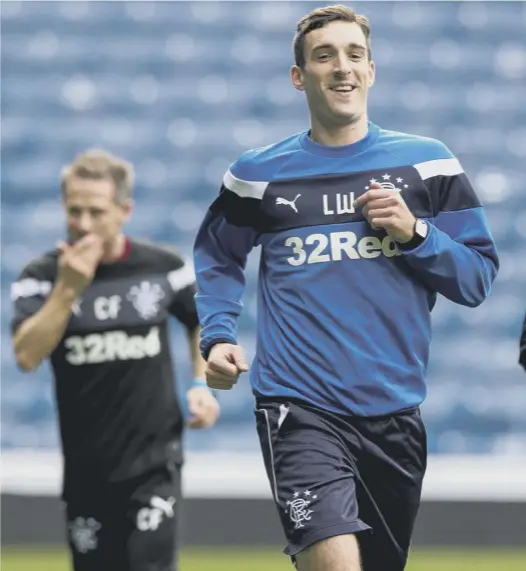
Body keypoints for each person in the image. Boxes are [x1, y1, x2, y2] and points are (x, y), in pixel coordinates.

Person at [192, 5, 499, 571]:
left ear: (372, 71)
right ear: (298, 75)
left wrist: (414, 233)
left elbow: (477, 280)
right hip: (297, 408)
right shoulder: (258, 175)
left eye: (354, 54)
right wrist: (216, 336)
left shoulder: (427, 165)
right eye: (324, 55)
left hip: (395, 415)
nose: (342, 68)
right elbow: (217, 255)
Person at [11, 149, 220, 571]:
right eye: (74, 211)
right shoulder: (42, 276)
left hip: (153, 464)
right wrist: (69, 289)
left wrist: (200, 385)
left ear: (125, 210)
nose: (83, 224)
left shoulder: (162, 268)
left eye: (96, 211)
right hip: (86, 470)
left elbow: (204, 322)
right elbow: (26, 355)